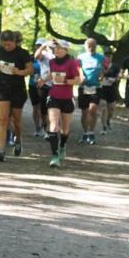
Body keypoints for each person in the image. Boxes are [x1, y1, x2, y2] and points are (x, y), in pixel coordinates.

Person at [0, 29, 32, 160]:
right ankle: (1, 151)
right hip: (1, 88)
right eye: (4, 44)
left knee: (16, 121)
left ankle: (18, 140)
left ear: (15, 42)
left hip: (18, 90)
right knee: (2, 119)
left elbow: (30, 70)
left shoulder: (22, 53)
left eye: (9, 44)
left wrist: (19, 72)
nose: (7, 47)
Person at [44, 39, 81, 167]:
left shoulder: (72, 63)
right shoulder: (51, 62)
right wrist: (43, 80)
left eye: (60, 48)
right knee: (53, 125)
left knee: (65, 129)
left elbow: (78, 80)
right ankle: (54, 156)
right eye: (55, 48)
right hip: (53, 96)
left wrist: (65, 81)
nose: (57, 50)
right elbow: (52, 74)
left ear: (66, 50)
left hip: (67, 98)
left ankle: (62, 145)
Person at [76, 38, 104, 145]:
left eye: (93, 45)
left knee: (93, 110)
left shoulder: (101, 57)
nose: (91, 48)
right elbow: (77, 68)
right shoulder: (80, 57)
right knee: (84, 112)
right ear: (85, 46)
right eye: (89, 46)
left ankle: (91, 133)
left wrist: (102, 75)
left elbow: (104, 69)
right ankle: (84, 133)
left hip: (96, 87)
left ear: (96, 46)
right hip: (83, 87)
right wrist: (81, 76)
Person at [33, 38, 55, 139]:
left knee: (53, 108)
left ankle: (52, 129)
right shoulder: (45, 54)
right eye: (51, 44)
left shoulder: (58, 54)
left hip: (56, 85)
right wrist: (43, 45)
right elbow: (36, 56)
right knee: (44, 109)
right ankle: (46, 128)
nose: (52, 46)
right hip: (44, 85)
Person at [99, 52, 122, 134]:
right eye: (106, 56)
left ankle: (108, 120)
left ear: (112, 57)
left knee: (111, 109)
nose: (108, 58)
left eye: (109, 57)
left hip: (112, 89)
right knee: (103, 107)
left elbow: (120, 75)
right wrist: (100, 79)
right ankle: (103, 127)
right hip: (102, 89)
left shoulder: (115, 66)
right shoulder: (100, 66)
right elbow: (97, 76)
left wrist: (115, 79)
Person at [28, 50, 44, 136]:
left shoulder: (48, 59)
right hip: (33, 86)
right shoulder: (31, 58)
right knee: (35, 108)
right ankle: (37, 127)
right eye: (38, 46)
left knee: (43, 108)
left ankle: (44, 127)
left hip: (44, 86)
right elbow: (27, 70)